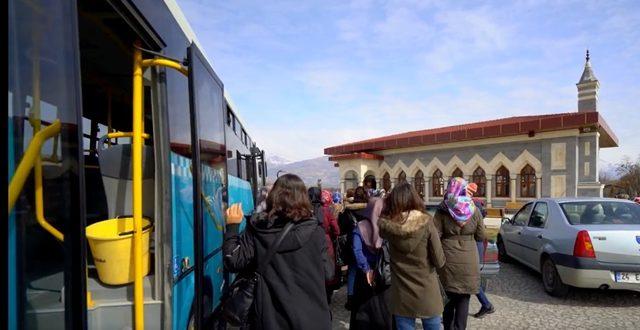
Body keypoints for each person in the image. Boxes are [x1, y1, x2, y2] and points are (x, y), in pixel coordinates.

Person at [222, 174, 332, 330]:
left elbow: (233, 260)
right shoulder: (316, 232)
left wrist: (232, 227)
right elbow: (328, 273)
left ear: (273, 197)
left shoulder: (258, 229)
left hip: (270, 320)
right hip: (313, 319)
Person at [378, 183, 446, 330]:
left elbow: (381, 230)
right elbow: (439, 260)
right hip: (427, 290)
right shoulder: (427, 222)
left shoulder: (387, 226)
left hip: (401, 293)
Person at [433, 177, 485, 330]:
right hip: (469, 260)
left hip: (448, 259)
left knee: (447, 299)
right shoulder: (474, 208)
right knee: (464, 299)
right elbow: (481, 236)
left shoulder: (443, 209)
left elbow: (435, 234)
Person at [350, 197, 390, 329]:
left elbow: (357, 250)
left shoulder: (360, 226)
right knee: (382, 308)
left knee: (362, 306)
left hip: (364, 275)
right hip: (382, 272)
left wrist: (366, 269)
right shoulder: (387, 226)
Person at [466, 183, 496, 319]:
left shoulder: (471, 209)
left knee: (469, 280)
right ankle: (486, 305)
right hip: (476, 248)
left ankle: (487, 305)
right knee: (471, 280)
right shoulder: (477, 210)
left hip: (473, 248)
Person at [338, 187, 370, 310]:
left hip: (352, 242)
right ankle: (366, 297)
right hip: (366, 243)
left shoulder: (347, 210)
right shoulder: (368, 209)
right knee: (367, 269)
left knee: (352, 271)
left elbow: (342, 227)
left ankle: (350, 299)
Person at [320, 189, 341, 304]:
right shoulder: (327, 211)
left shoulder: (308, 210)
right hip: (326, 241)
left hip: (311, 241)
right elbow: (336, 229)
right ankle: (327, 293)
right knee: (328, 265)